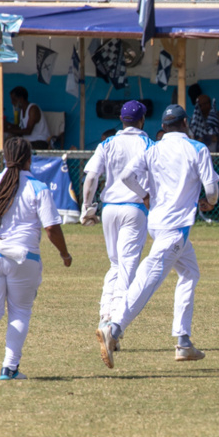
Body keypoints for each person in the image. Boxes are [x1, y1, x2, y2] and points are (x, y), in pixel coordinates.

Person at [96, 105, 219, 369]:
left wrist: (144, 195)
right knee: (148, 278)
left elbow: (127, 176)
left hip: (157, 224)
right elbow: (211, 190)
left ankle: (183, 342)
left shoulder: (153, 149)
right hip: (176, 228)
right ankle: (113, 329)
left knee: (190, 273)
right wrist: (209, 202)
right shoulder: (197, 149)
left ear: (163, 126)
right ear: (185, 123)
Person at [0, 138, 72, 381]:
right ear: (29, 158)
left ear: (4, 157)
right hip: (24, 258)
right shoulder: (38, 187)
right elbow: (51, 228)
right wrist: (64, 254)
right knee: (20, 312)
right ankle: (9, 368)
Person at [81, 100, 154, 339]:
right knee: (127, 268)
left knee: (115, 264)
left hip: (109, 209)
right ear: (142, 120)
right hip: (135, 208)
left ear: (121, 120)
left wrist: (86, 206)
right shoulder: (148, 144)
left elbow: (91, 178)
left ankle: (105, 315)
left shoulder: (107, 143)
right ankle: (113, 325)